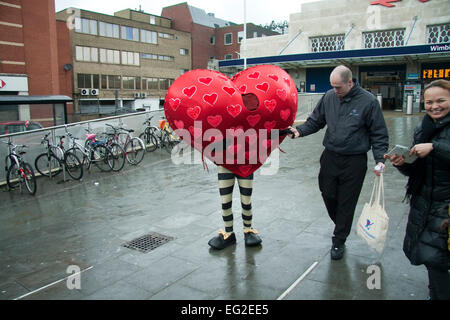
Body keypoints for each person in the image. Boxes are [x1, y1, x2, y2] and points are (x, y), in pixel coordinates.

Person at [287, 65, 389, 260]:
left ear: (350, 82)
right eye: (333, 86)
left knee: (347, 202)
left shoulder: (368, 102)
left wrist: (380, 159)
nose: (335, 90)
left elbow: (379, 133)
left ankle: (339, 239)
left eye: (339, 87)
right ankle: (342, 223)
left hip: (354, 160)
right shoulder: (328, 97)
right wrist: (299, 131)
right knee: (328, 193)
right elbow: (316, 121)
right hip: (331, 156)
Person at [384, 79, 450, 300]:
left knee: (437, 259)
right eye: (429, 102)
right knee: (433, 257)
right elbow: (417, 171)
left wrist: (434, 147)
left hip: (445, 207)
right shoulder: (424, 127)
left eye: (441, 100)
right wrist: (404, 164)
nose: (434, 106)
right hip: (425, 203)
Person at [207, 166, 262, 250]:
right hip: (225, 163)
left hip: (245, 163)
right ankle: (229, 233)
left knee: (246, 201)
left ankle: (248, 230)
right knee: (225, 202)